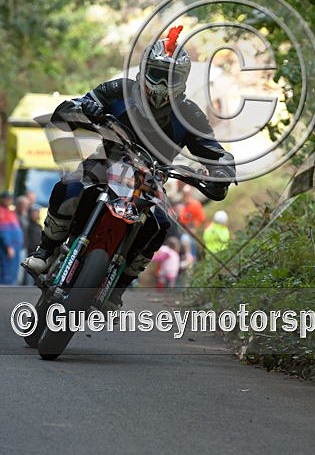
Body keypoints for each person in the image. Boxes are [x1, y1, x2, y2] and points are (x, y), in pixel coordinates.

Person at [22, 25, 235, 310]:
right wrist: (88, 108)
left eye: (169, 77)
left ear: (182, 81)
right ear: (144, 69)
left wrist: (222, 173)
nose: (161, 83)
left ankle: (118, 287)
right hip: (106, 161)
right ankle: (45, 250)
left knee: (161, 223)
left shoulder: (190, 115)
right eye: (157, 74)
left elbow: (215, 152)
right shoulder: (119, 89)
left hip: (152, 179)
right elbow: (72, 105)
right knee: (71, 184)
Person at [0, 192, 24, 285]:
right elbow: (3, 231)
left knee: (13, 275)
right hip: (7, 248)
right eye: (6, 199)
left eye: (10, 199)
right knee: (7, 275)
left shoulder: (9, 211)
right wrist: (8, 246)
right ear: (1, 199)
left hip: (15, 247)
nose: (9, 201)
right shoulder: (0, 211)